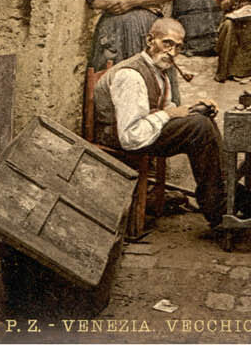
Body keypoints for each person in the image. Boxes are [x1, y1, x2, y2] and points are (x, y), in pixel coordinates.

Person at [92, 18, 226, 232]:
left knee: (202, 118)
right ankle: (220, 208)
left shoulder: (158, 70)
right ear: (150, 40)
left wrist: (194, 108)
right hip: (122, 137)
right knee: (199, 127)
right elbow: (130, 135)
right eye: (167, 43)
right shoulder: (131, 75)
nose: (172, 52)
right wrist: (171, 114)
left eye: (178, 47)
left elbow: (164, 107)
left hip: (144, 129)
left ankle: (222, 196)